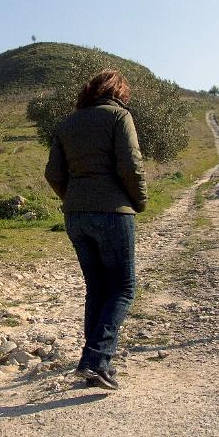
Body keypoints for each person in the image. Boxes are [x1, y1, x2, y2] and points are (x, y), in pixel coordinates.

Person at [44, 69, 147, 390]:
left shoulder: (66, 125)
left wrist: (73, 199)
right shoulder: (119, 117)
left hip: (76, 216)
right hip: (113, 213)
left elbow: (52, 173)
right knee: (123, 288)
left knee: (98, 289)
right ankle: (96, 359)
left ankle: (95, 363)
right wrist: (139, 201)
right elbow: (130, 165)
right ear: (119, 92)